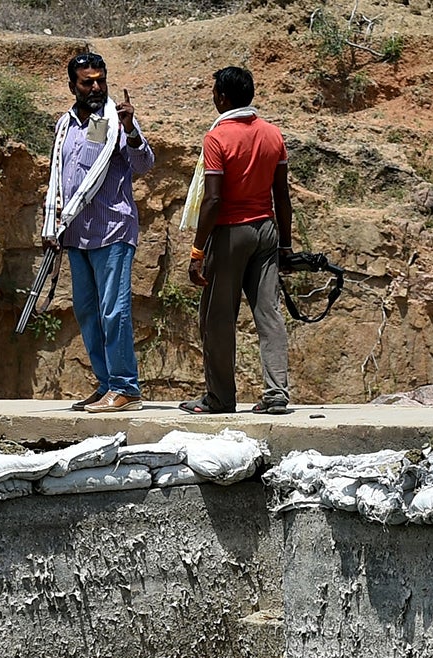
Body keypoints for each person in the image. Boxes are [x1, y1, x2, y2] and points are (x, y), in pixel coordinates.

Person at [43, 51, 156, 414]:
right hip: (76, 233)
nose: (95, 87)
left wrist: (131, 130)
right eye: (87, 82)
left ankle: (126, 387)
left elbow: (143, 164)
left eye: (100, 81)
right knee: (88, 312)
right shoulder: (68, 125)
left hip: (112, 229)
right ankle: (107, 384)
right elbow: (61, 177)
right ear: (72, 85)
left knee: (114, 311)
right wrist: (53, 223)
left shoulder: (112, 121)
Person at [183, 66, 293, 415]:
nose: (213, 96)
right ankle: (276, 393)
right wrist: (286, 246)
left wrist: (198, 249)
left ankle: (220, 398)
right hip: (266, 230)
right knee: (268, 314)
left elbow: (213, 199)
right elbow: (283, 196)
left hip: (231, 232)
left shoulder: (217, 138)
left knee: (217, 318)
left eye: (215, 91)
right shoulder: (273, 134)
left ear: (223, 97)